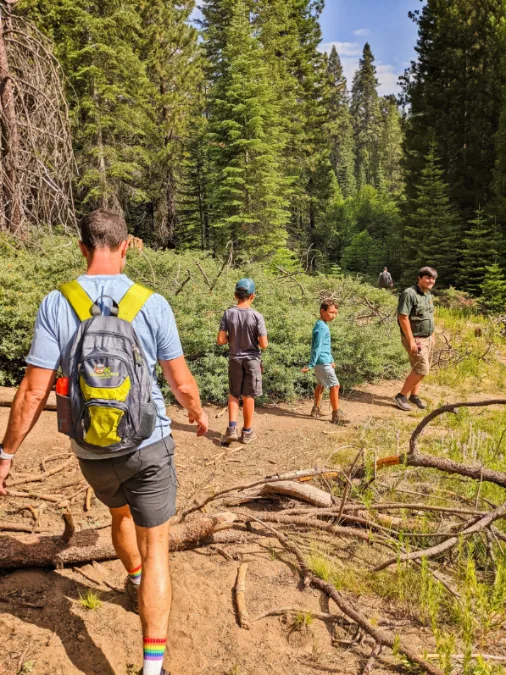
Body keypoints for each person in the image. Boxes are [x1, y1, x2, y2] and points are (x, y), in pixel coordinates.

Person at [0, 209, 209, 675]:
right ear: (127, 245)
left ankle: (133, 580)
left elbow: (34, 391)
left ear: (81, 248)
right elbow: (182, 383)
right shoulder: (151, 303)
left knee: (119, 515)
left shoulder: (57, 302)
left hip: (92, 451)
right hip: (148, 443)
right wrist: (196, 413)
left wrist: (6, 453)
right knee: (157, 545)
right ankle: (151, 668)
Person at [217, 278, 268, 445]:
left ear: (235, 295)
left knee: (233, 394)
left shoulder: (228, 313)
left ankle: (231, 428)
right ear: (252, 296)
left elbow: (220, 340)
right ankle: (246, 432)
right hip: (252, 359)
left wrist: (234, 337)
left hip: (234, 359)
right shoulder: (257, 316)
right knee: (249, 395)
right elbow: (264, 344)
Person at [394, 266, 437, 412]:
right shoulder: (409, 293)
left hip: (427, 338)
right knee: (422, 369)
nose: (431, 281)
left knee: (418, 368)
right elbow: (403, 317)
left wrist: (432, 335)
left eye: (433, 278)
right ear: (419, 277)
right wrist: (411, 340)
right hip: (415, 338)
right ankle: (401, 396)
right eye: (427, 277)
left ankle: (414, 395)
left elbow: (429, 315)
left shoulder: (428, 294)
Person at [301, 301, 346, 425]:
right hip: (322, 362)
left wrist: (331, 359)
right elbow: (317, 347)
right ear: (322, 311)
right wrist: (311, 364)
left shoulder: (321, 324)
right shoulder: (322, 327)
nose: (334, 315)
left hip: (324, 361)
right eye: (331, 312)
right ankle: (337, 415)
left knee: (321, 385)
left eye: (336, 313)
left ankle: (316, 410)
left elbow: (325, 346)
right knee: (335, 386)